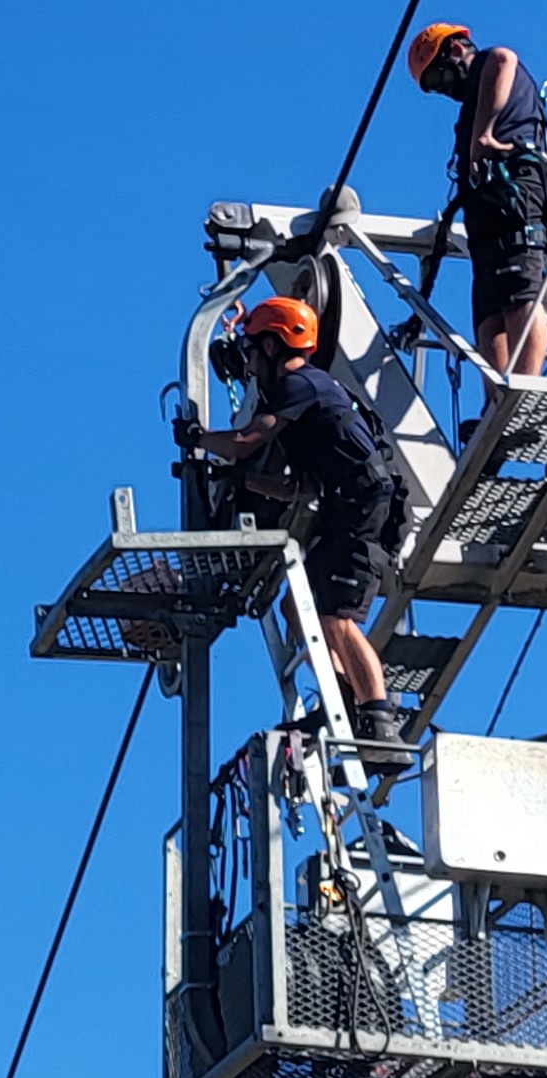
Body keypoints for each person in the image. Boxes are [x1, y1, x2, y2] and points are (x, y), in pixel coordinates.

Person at [174, 292, 418, 752]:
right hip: (344, 506)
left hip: (362, 508)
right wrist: (241, 478)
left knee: (338, 618)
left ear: (270, 347)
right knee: (295, 610)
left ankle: (379, 718)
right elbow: (299, 488)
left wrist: (200, 438)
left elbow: (246, 438)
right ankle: (341, 701)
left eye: (250, 350)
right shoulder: (310, 401)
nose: (247, 363)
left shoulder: (300, 384)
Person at [405, 21, 547, 379]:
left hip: (514, 190)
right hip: (486, 202)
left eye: (440, 79)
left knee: (520, 291)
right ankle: (497, 396)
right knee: (489, 312)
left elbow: (505, 58)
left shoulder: (490, 65)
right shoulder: (473, 102)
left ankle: (526, 384)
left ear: (456, 51)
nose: (444, 90)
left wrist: (484, 135)